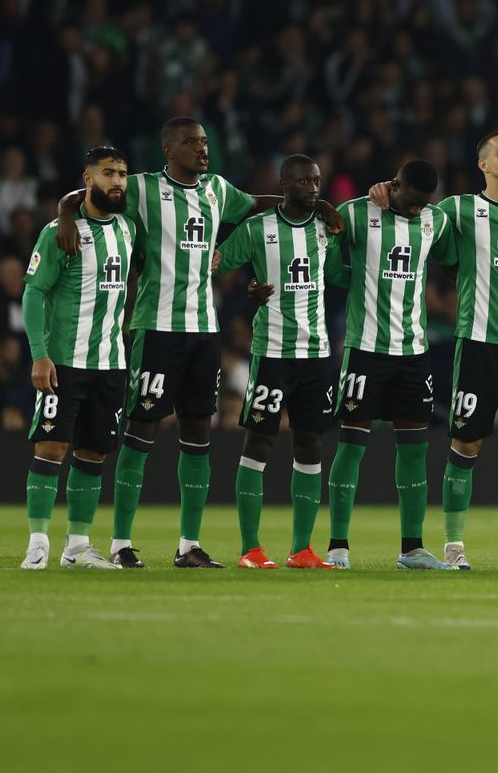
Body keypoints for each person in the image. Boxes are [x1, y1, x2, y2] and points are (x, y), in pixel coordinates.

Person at [55, 116, 341, 568]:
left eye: (205, 142)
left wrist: (319, 206)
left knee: (198, 435)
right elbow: (88, 194)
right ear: (168, 150)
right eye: (191, 143)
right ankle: (120, 543)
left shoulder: (217, 190)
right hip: (157, 327)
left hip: (204, 332)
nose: (202, 149)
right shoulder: (144, 188)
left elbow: (260, 203)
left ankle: (189, 544)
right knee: (141, 432)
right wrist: (65, 214)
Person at [381, 132, 498, 570]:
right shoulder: (458, 210)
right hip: (479, 342)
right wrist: (385, 190)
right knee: (466, 445)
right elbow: (420, 228)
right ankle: (453, 545)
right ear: (483, 164)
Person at [212, 154, 348, 569]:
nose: (312, 188)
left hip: (317, 354)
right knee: (260, 441)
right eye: (303, 181)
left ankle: (301, 549)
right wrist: (248, 291)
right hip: (271, 351)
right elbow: (217, 264)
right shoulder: (258, 228)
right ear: (283, 184)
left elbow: (344, 273)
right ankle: (250, 549)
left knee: (310, 443)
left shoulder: (328, 228)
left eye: (317, 182)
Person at [325, 159, 455, 569]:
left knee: (415, 452)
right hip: (365, 349)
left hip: (414, 353)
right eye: (411, 201)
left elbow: (456, 258)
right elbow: (330, 266)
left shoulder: (436, 220)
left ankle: (412, 548)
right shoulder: (357, 212)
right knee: (350, 447)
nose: (417, 210)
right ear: (393, 186)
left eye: (423, 204)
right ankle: (338, 546)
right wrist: (364, 276)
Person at [20, 147, 134, 569]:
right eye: (108, 173)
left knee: (93, 453)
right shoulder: (58, 231)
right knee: (51, 448)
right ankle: (37, 542)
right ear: (87, 178)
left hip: (110, 363)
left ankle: (77, 547)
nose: (117, 181)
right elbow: (33, 293)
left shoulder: (128, 229)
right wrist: (39, 355)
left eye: (122, 173)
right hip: (64, 360)